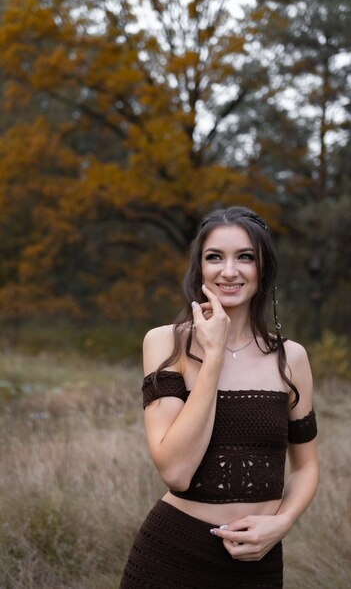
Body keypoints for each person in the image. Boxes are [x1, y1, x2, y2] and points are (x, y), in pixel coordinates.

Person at [119, 206, 319, 589]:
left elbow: (306, 466)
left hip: (258, 564)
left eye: (245, 257)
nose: (229, 271)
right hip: (174, 557)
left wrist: (282, 522)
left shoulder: (291, 358)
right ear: (200, 269)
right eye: (215, 257)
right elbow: (176, 471)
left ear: (264, 269)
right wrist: (213, 355)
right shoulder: (166, 343)